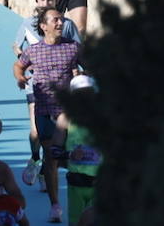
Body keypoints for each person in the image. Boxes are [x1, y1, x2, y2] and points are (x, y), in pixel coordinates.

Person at [14, 8, 82, 223]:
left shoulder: (73, 48)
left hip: (68, 114)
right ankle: (55, 205)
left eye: (61, 19)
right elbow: (18, 65)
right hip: (44, 112)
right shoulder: (33, 51)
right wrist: (20, 77)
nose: (61, 23)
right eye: (56, 20)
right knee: (51, 158)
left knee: (72, 158)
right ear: (43, 26)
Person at [62, 75, 100, 225]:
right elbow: (53, 152)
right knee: (76, 222)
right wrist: (70, 154)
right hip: (76, 182)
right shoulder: (65, 118)